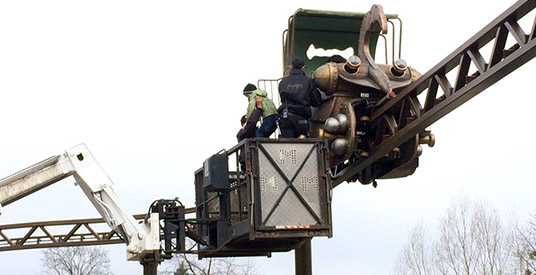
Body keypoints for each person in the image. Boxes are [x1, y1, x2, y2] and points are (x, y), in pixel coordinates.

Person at [278, 57, 322, 138]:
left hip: (285, 117)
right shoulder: (308, 81)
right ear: (303, 67)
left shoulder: (282, 82)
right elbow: (316, 101)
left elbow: (282, 98)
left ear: (291, 67)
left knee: (287, 146)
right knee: (301, 145)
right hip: (301, 118)